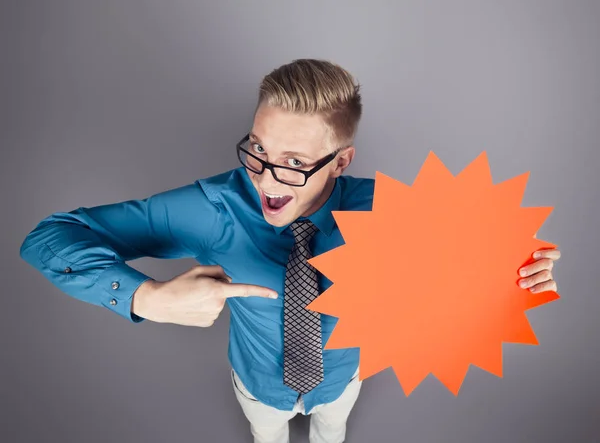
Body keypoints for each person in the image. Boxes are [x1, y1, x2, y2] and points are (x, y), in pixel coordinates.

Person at [19, 59, 561, 443]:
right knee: (266, 434)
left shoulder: (393, 209)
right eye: (258, 148)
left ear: (341, 162)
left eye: (294, 162)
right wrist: (145, 297)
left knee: (332, 430)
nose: (266, 179)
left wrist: (520, 275)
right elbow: (48, 239)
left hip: (345, 376)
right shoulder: (211, 208)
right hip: (257, 384)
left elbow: (465, 266)